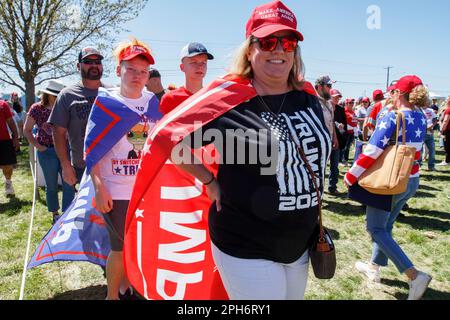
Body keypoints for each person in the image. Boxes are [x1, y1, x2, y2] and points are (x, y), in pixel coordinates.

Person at [169, 0, 331, 299]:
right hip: (244, 241)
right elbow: (174, 144)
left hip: (300, 242)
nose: (279, 49)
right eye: (268, 42)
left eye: (288, 42)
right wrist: (209, 181)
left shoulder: (308, 98)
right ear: (250, 49)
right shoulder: (226, 101)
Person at [345, 75, 432, 300]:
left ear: (398, 94)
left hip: (391, 183)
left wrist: (351, 175)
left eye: (392, 91)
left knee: (376, 229)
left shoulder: (393, 116)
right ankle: (374, 266)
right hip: (411, 179)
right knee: (386, 226)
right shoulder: (421, 116)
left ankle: (414, 275)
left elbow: (371, 151)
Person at [88, 38, 160, 300]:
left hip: (146, 190)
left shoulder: (153, 103)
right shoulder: (106, 103)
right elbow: (92, 149)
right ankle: (112, 296)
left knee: (142, 244)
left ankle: (132, 287)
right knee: (119, 247)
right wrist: (99, 186)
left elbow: (160, 143)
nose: (137, 76)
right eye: (131, 69)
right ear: (118, 70)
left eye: (143, 71)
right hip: (115, 190)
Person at [48, 47, 106, 188]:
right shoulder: (67, 95)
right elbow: (58, 133)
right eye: (88, 61)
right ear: (78, 66)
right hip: (83, 168)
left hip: (111, 166)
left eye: (97, 61)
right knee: (89, 210)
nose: (94, 65)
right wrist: (65, 165)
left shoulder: (112, 92)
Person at [23, 80, 75, 224]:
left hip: (65, 150)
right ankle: (55, 214)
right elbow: (27, 130)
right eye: (56, 95)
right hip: (47, 151)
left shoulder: (65, 107)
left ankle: (67, 213)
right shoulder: (37, 109)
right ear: (48, 94)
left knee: (69, 183)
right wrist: (39, 147)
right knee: (51, 185)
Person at [159, 42, 214, 114]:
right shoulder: (170, 99)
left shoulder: (212, 97)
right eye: (194, 62)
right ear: (182, 67)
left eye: (204, 62)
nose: (200, 66)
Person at [329, 88, 347, 194]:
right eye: (335, 96)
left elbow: (344, 124)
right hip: (325, 141)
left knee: (334, 166)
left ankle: (332, 187)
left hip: (336, 142)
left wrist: (341, 125)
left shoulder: (340, 109)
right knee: (321, 167)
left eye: (338, 97)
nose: (337, 98)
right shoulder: (324, 108)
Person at [0, 99, 19, 196]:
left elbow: (11, 121)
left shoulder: (3, 104)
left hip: (4, 140)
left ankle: (8, 183)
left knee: (7, 165)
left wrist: (16, 138)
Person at [341, 98, 358, 166]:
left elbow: (355, 121)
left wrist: (355, 120)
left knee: (348, 147)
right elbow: (353, 120)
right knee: (345, 147)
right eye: (350, 103)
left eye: (352, 103)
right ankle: (343, 160)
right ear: (346, 104)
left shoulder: (353, 112)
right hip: (346, 132)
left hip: (352, 131)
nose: (352, 104)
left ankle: (345, 160)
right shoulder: (345, 112)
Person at [421, 106, 437, 170]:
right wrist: (426, 128)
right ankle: (419, 165)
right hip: (421, 132)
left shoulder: (431, 110)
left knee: (432, 150)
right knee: (420, 150)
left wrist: (432, 126)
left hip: (430, 133)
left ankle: (431, 166)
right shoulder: (418, 110)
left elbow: (435, 119)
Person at [437, 96, 450, 166]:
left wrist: (441, 131)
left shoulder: (448, 110)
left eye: (447, 100)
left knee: (447, 146)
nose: (445, 101)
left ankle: (447, 161)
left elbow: (445, 121)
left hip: (448, 131)